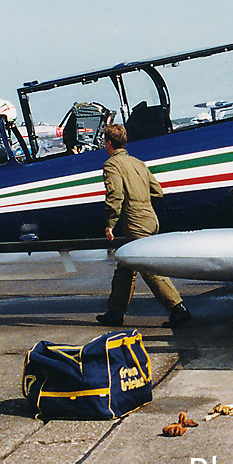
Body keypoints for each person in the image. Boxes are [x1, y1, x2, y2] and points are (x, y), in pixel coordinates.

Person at [95, 124, 191, 328]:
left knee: (147, 265)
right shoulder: (138, 163)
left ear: (109, 143)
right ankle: (115, 312)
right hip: (150, 218)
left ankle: (178, 309)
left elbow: (115, 195)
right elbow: (157, 191)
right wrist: (144, 207)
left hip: (135, 222)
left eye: (105, 141)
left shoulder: (112, 165)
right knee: (126, 266)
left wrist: (110, 223)